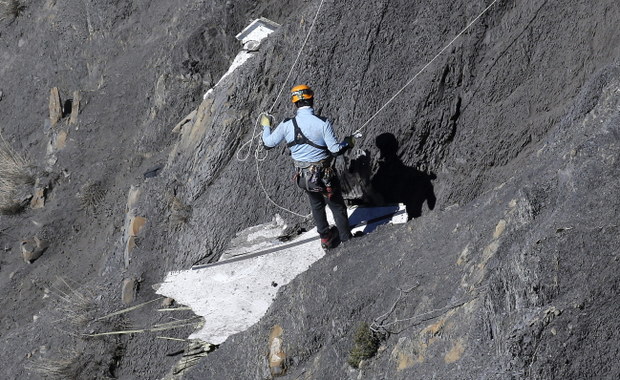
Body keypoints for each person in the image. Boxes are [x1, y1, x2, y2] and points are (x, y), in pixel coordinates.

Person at [262, 84, 354, 249]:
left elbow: (267, 143)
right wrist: (348, 142)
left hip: (304, 177)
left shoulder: (286, 124)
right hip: (325, 176)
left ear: (295, 103)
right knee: (336, 205)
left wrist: (265, 125)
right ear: (311, 99)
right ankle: (346, 239)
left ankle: (325, 238)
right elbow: (335, 151)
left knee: (316, 204)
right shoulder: (322, 122)